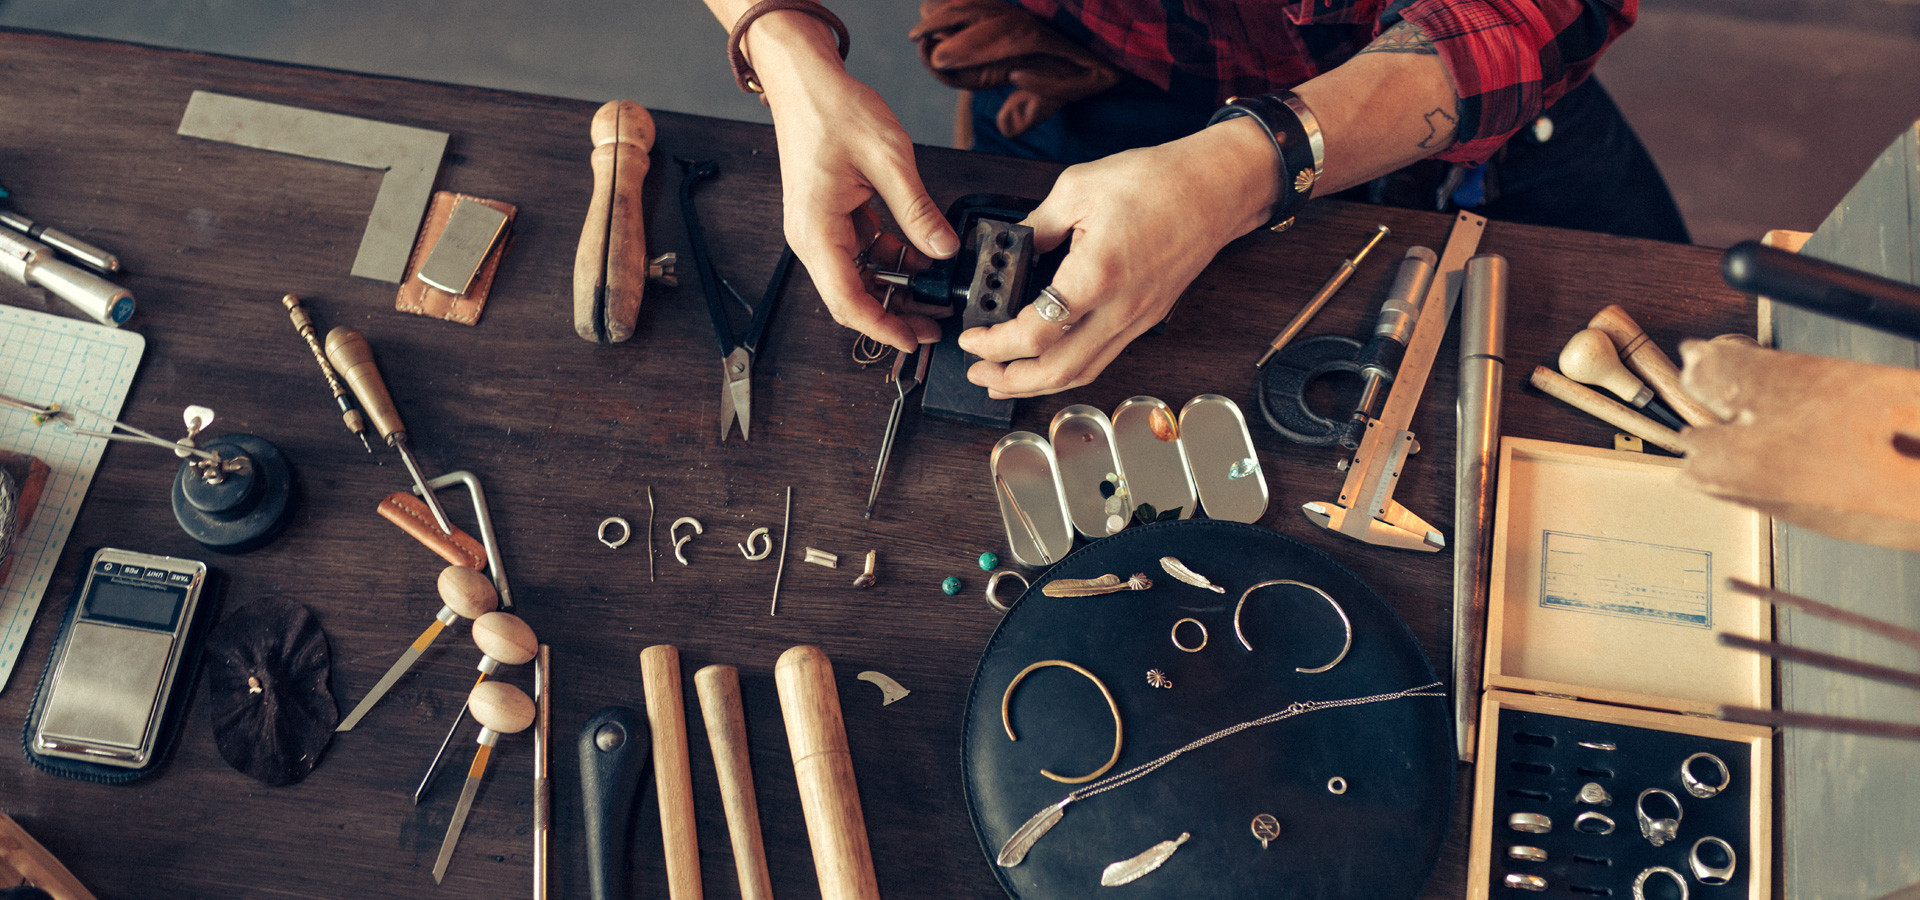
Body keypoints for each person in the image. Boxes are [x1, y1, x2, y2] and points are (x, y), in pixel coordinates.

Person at [703, 0, 1686, 399]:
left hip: (1452, 82)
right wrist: (779, 46)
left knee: (1697, 389)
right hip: (1097, 72)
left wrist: (1247, 168)